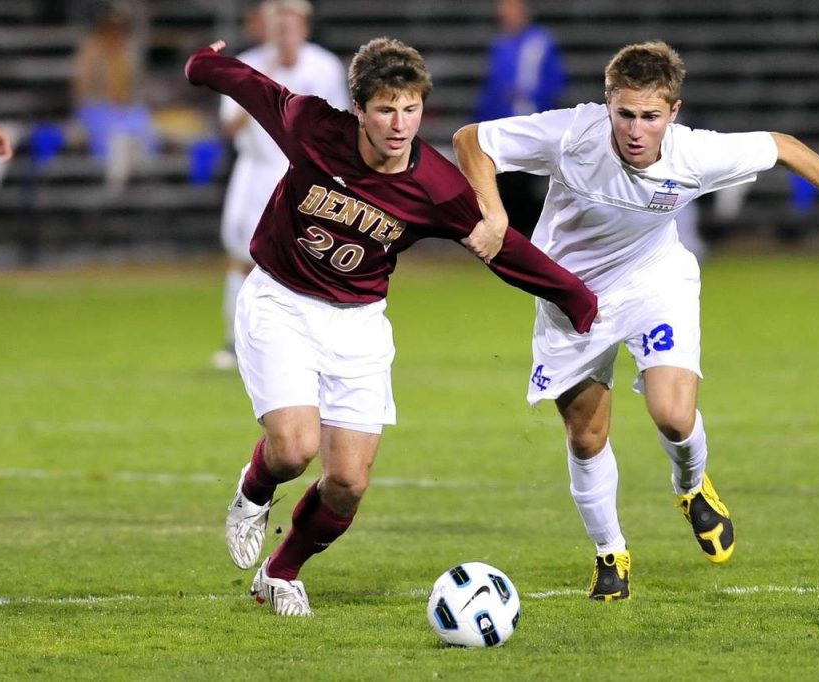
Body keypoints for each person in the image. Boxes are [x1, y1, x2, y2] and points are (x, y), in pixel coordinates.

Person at [453, 41, 819, 601]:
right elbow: (471, 139)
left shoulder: (694, 154)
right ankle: (610, 552)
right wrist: (495, 210)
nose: (634, 129)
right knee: (585, 435)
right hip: (569, 295)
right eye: (624, 113)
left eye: (650, 116)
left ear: (673, 114)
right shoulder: (572, 133)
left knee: (674, 415)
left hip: (655, 284)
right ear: (607, 105)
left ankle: (692, 487)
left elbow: (784, 146)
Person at [185, 37, 598, 616]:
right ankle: (254, 492)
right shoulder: (313, 126)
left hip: (358, 324)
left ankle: (280, 572)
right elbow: (257, 90)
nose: (400, 123)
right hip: (281, 302)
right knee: (294, 450)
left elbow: (505, 251)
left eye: (411, 109)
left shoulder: (437, 186)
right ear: (358, 108)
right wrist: (204, 65)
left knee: (348, 482)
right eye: (385, 109)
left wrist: (576, 297)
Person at [212, 0, 351, 370]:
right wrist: (265, 78)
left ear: (304, 23)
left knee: (312, 255)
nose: (286, 27)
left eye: (293, 18)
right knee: (244, 256)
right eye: (279, 19)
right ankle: (235, 340)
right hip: (258, 171)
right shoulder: (249, 63)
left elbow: (338, 125)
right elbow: (230, 126)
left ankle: (312, 340)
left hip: (304, 173)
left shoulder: (323, 65)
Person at [473, 0, 566, 239]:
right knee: (504, 183)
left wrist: (535, 106)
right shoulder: (500, 45)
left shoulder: (540, 42)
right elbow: (492, 86)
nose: (505, 17)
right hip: (501, 125)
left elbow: (553, 82)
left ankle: (531, 235)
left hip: (527, 125)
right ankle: (511, 235)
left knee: (525, 184)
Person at [72, 1, 155, 160]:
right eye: (112, 26)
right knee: (110, 138)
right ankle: (109, 178)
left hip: (127, 107)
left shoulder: (130, 50)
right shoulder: (90, 50)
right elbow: (81, 87)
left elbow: (138, 84)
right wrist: (107, 97)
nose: (116, 31)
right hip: (96, 106)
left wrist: (127, 98)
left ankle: (141, 175)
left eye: (120, 26)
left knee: (145, 131)